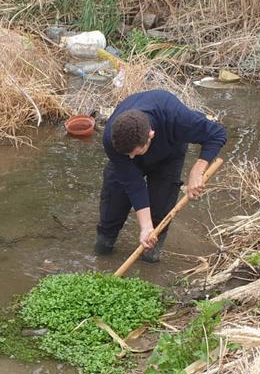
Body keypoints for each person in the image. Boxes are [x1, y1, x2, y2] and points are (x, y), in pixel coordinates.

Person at [95, 90, 228, 263]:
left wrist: (197, 171)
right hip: (122, 159)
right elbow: (133, 183)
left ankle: (150, 260)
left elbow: (217, 134)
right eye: (129, 154)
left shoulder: (177, 117)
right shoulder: (113, 139)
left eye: (136, 153)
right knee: (112, 207)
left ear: (151, 135)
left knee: (159, 216)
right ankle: (103, 250)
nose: (132, 158)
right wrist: (144, 227)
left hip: (169, 157)